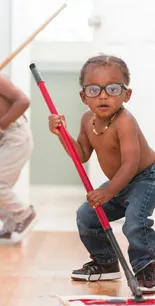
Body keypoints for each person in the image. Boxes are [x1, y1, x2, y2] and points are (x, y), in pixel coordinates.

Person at [48, 54, 155, 292]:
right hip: (120, 182)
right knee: (87, 216)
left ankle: (148, 265)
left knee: (135, 221)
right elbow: (81, 155)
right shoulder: (87, 119)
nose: (103, 95)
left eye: (113, 88)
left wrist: (108, 190)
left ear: (126, 95)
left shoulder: (125, 121)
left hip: (146, 177)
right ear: (83, 96)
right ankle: (106, 264)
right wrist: (62, 134)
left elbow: (131, 163)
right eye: (94, 89)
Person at [0, 75, 36, 244]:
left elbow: (23, 101)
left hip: (15, 135)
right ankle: (10, 224)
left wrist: (1, 124)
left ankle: (24, 214)